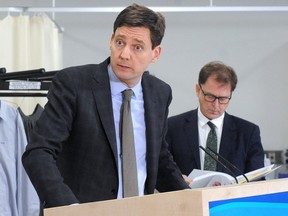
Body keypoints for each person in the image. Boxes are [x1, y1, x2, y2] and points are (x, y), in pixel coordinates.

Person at [22, 3, 189, 209]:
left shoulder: (160, 93)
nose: (125, 54)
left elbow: (159, 159)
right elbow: (38, 152)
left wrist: (191, 196)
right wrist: (71, 209)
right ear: (111, 40)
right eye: (120, 42)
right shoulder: (73, 84)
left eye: (137, 47)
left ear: (155, 53)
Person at [166, 61, 264, 181]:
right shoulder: (172, 127)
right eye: (210, 97)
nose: (216, 105)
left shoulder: (248, 132)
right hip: (187, 198)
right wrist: (177, 180)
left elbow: (257, 181)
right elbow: (163, 171)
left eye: (223, 99)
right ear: (198, 90)